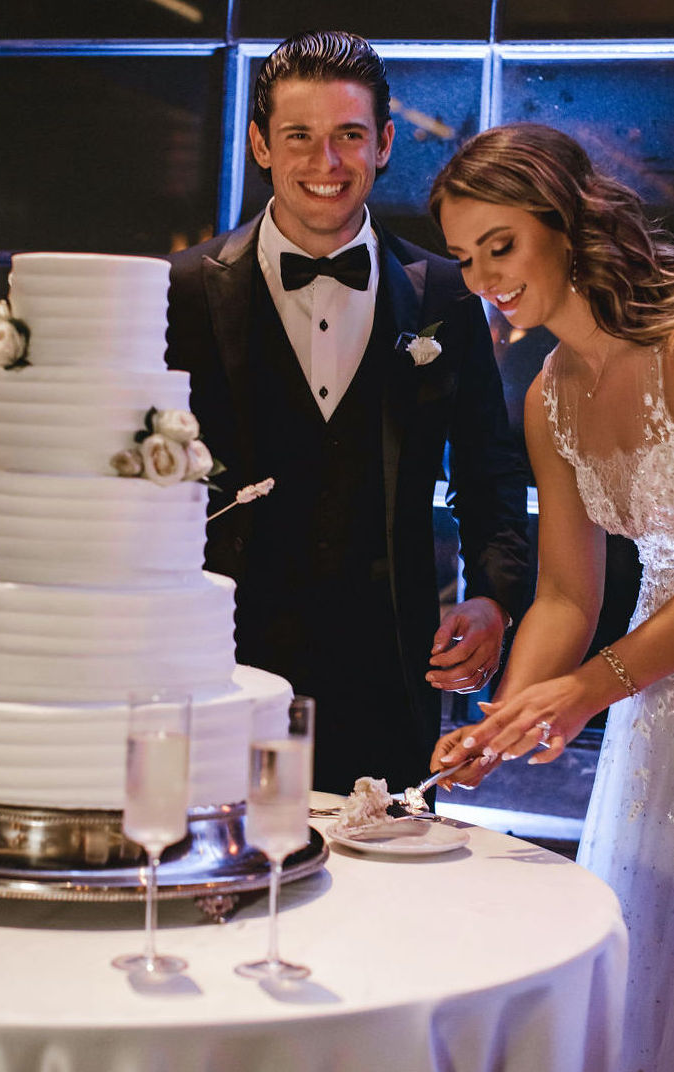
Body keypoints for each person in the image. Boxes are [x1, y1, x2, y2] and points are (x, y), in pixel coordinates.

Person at [428, 122, 674, 1071]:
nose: (482, 278)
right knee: (658, 950)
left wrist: (584, 691)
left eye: (501, 246)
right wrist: (509, 715)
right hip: (656, 683)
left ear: (563, 225)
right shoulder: (549, 393)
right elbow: (565, 589)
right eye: (463, 257)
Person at [165, 32, 530, 795]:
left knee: (381, 895)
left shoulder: (446, 297)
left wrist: (493, 594)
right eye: (299, 136)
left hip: (390, 668)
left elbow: (489, 472)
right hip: (212, 662)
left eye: (349, 136)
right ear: (262, 144)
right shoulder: (183, 290)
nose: (325, 163)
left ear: (385, 143)